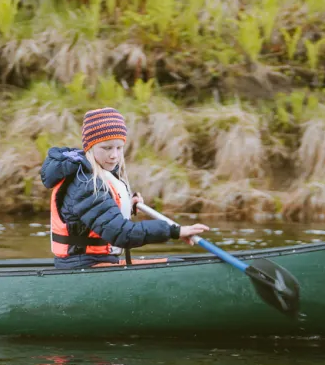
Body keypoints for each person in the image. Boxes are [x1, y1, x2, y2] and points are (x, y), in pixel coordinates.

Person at [39, 107, 210, 269]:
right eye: (106, 148)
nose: (114, 155)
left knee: (176, 262)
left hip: (100, 262)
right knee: (175, 265)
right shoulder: (85, 184)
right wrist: (174, 231)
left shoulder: (103, 174)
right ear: (89, 148)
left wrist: (127, 204)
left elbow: (104, 214)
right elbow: (121, 234)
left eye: (119, 148)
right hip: (83, 266)